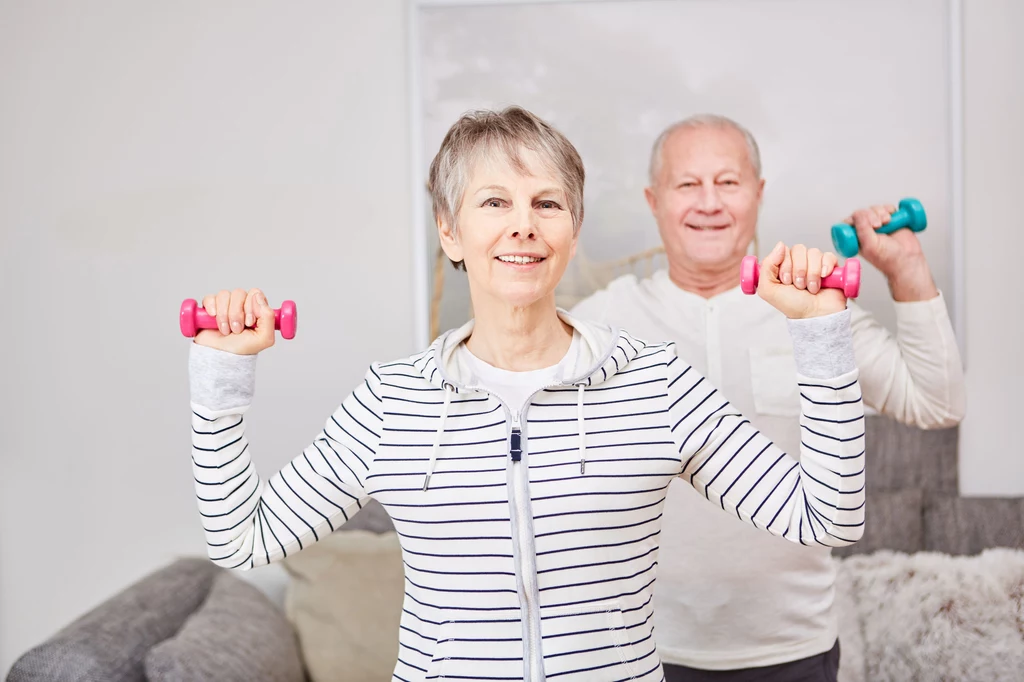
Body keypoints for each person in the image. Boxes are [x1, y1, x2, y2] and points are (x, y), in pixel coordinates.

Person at [187, 106, 866, 682]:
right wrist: (220, 379)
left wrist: (821, 332)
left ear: (571, 231)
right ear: (450, 231)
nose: (523, 225)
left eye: (546, 203)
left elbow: (827, 517)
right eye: (493, 202)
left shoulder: (657, 384)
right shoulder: (392, 402)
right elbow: (243, 540)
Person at [571, 114, 966, 682]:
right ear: (654, 201)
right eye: (688, 185)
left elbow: (937, 403)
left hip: (792, 651)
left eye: (728, 182)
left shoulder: (814, 312)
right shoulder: (602, 323)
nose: (709, 202)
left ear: (757, 194)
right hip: (638, 653)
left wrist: (906, 268)